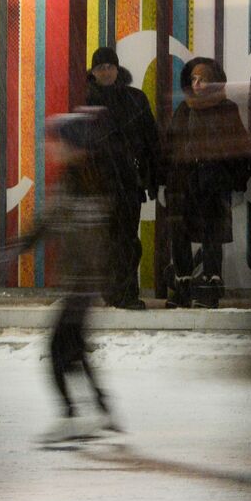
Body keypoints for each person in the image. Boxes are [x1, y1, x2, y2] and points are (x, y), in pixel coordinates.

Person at [0, 109, 118, 444]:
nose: (52, 149)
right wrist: (18, 248)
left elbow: (83, 236)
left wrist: (86, 284)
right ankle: (103, 412)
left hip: (83, 285)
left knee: (57, 348)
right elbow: (50, 222)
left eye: (57, 142)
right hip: (83, 285)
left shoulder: (87, 184)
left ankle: (70, 417)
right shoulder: (76, 178)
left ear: (75, 145)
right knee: (74, 348)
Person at [163, 57, 251, 308]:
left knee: (212, 237)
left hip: (215, 184)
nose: (197, 84)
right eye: (193, 79)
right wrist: (165, 181)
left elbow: (240, 147)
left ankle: (208, 291)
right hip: (184, 184)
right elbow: (171, 147)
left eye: (203, 79)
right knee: (180, 235)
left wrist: (238, 183)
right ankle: (182, 290)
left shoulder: (227, 108)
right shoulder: (185, 109)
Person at [85, 47, 160, 309]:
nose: (105, 71)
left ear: (117, 69)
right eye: (100, 67)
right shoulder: (87, 102)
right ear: (93, 72)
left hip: (128, 181)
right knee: (108, 241)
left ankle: (125, 293)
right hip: (100, 184)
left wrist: (153, 178)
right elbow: (80, 147)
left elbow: (151, 139)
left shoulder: (135, 99)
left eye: (109, 66)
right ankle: (113, 292)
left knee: (126, 240)